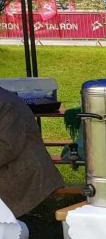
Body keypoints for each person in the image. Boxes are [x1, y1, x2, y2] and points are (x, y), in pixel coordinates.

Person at [0, 87, 64, 217]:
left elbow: (7, 148)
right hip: (11, 170)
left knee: (14, 231)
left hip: (24, 176)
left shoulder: (7, 104)